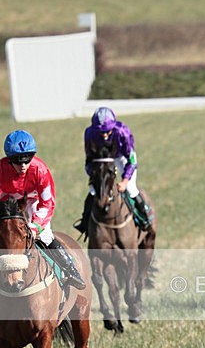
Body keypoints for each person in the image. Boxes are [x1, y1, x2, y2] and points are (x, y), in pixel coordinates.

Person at [0, 130, 85, 289]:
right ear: (9, 160)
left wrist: (35, 227)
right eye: (18, 162)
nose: (23, 166)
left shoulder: (41, 170)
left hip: (34, 201)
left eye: (27, 160)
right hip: (7, 202)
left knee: (45, 235)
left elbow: (48, 203)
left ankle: (71, 270)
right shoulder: (1, 169)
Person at [74, 106, 153, 235]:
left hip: (122, 159)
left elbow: (132, 160)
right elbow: (89, 159)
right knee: (93, 191)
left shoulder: (123, 132)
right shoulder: (89, 133)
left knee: (131, 189)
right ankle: (85, 222)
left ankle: (145, 218)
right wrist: (94, 177)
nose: (104, 135)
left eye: (107, 131)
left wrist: (125, 181)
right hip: (101, 161)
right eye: (101, 132)